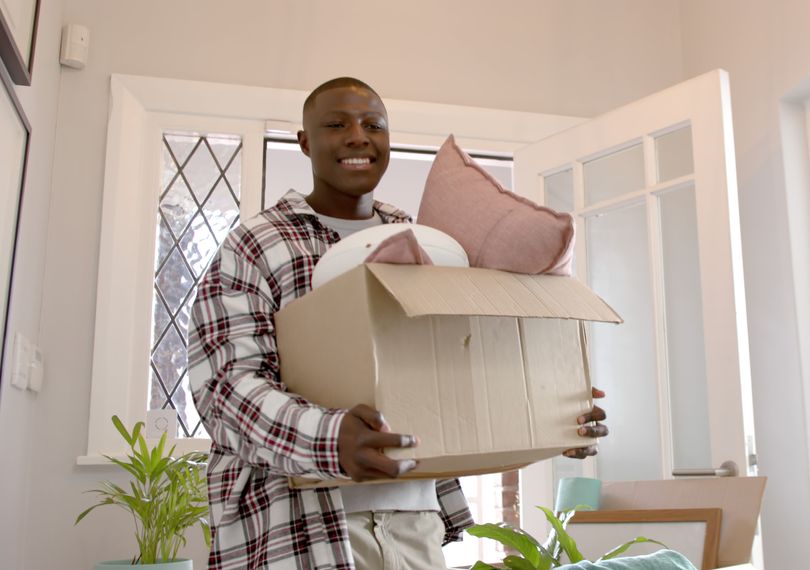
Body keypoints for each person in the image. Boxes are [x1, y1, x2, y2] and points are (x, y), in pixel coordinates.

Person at [187, 77, 609, 570]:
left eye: (373, 125)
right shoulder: (256, 245)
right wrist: (331, 439)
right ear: (304, 141)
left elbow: (458, 362)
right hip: (303, 523)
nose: (357, 136)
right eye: (335, 124)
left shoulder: (430, 244)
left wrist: (552, 413)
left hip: (415, 520)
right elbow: (225, 390)